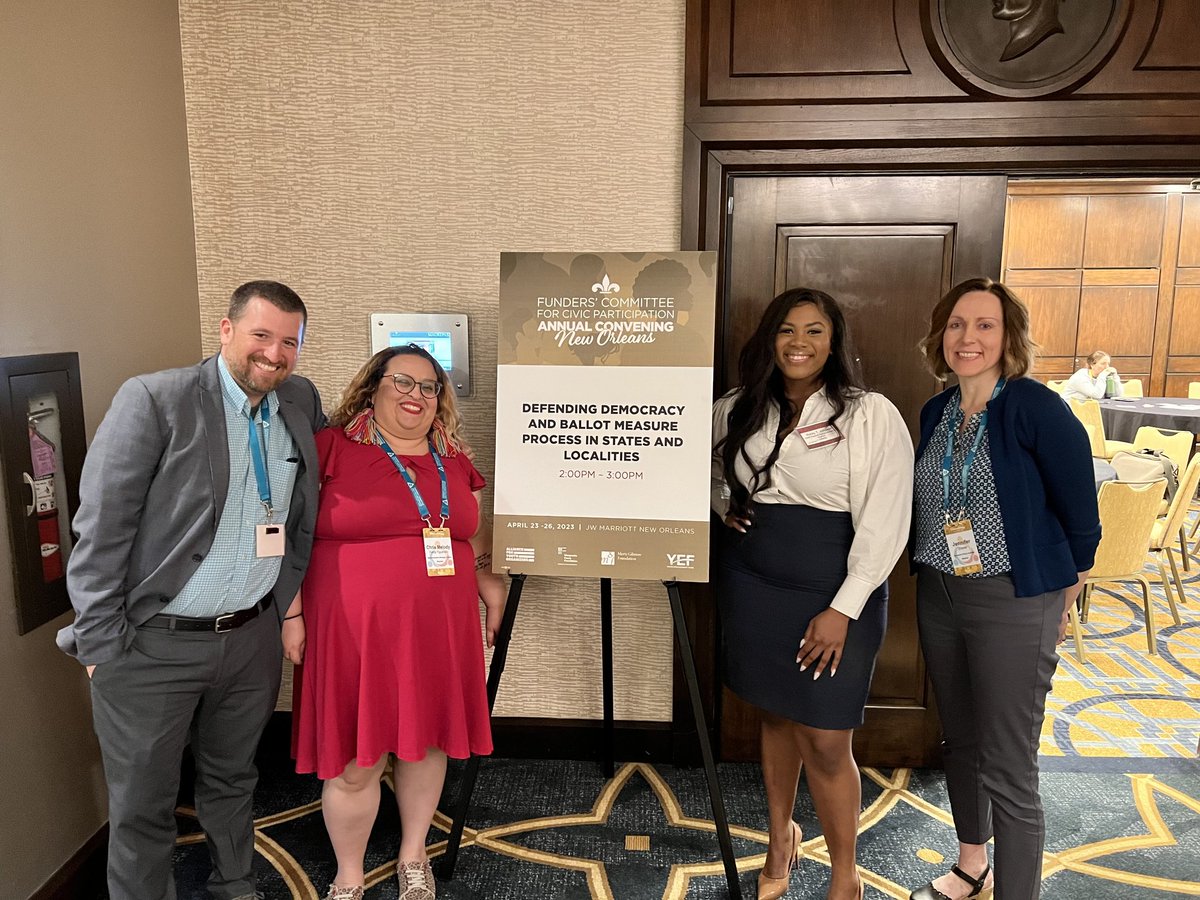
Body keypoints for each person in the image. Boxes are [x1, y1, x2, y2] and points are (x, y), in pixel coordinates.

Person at [59, 281, 325, 900]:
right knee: (144, 803)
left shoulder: (301, 402)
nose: (275, 353)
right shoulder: (156, 399)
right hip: (153, 645)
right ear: (227, 331)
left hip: (251, 635)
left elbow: (307, 507)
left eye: (290, 341)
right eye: (261, 335)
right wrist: (101, 645)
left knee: (234, 778)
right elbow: (100, 529)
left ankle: (233, 883)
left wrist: (286, 607)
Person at [712, 287, 913, 900]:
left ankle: (844, 875)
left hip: (835, 589)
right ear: (769, 339)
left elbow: (886, 520)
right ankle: (779, 839)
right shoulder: (736, 408)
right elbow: (710, 473)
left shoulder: (869, 413)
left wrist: (843, 608)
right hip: (753, 583)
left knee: (826, 738)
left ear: (834, 341)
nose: (799, 343)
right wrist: (723, 506)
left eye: (814, 331)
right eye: (787, 330)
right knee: (774, 716)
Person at [290, 345, 506, 900]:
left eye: (429, 387)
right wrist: (290, 613)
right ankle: (349, 873)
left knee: (425, 743)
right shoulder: (331, 449)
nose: (417, 395)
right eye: (403, 383)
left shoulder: (451, 454)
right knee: (355, 760)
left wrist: (484, 575)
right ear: (372, 388)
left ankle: (414, 856)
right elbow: (286, 534)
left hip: (439, 625)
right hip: (352, 628)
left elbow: (469, 524)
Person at [909, 278, 1100, 900]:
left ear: (1008, 336)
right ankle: (973, 864)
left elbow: (1081, 513)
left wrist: (1062, 593)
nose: (969, 338)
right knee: (959, 739)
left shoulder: (1036, 408)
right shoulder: (937, 410)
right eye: (958, 324)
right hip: (939, 592)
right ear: (942, 335)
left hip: (1015, 600)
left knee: (1009, 761)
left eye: (985, 325)